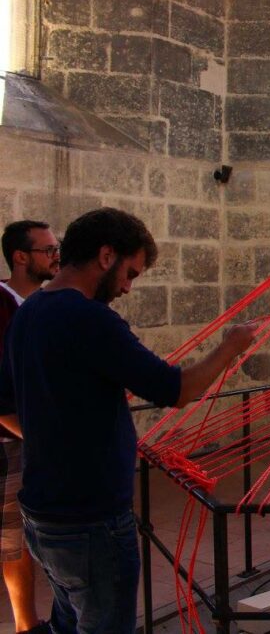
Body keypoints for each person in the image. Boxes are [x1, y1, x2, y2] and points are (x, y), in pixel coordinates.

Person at [0, 208, 258, 633]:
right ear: (106, 256)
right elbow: (177, 390)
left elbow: (6, 401)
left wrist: (55, 439)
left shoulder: (30, 312)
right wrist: (231, 347)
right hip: (91, 520)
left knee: (70, 620)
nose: (126, 287)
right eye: (130, 273)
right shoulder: (90, 318)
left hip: (44, 515)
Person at [0, 220, 59, 634]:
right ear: (21, 257)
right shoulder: (3, 305)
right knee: (12, 538)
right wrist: (38, 438)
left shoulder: (39, 304)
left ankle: (31, 621)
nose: (57, 257)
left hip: (31, 435)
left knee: (26, 534)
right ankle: (26, 624)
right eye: (48, 250)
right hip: (11, 437)